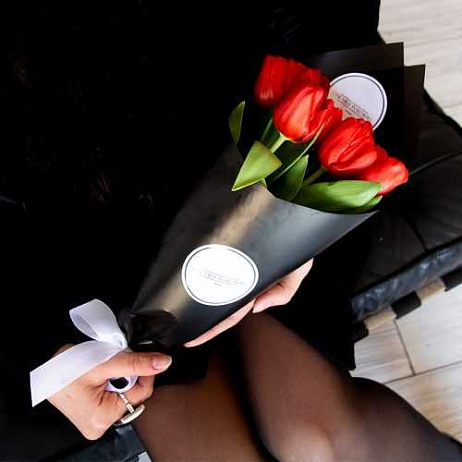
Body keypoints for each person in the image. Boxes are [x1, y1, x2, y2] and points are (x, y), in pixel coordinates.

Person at [1, 0, 461, 460]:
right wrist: (42, 358)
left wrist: (300, 204)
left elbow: (331, 18)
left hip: (260, 136)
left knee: (315, 437)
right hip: (77, 222)